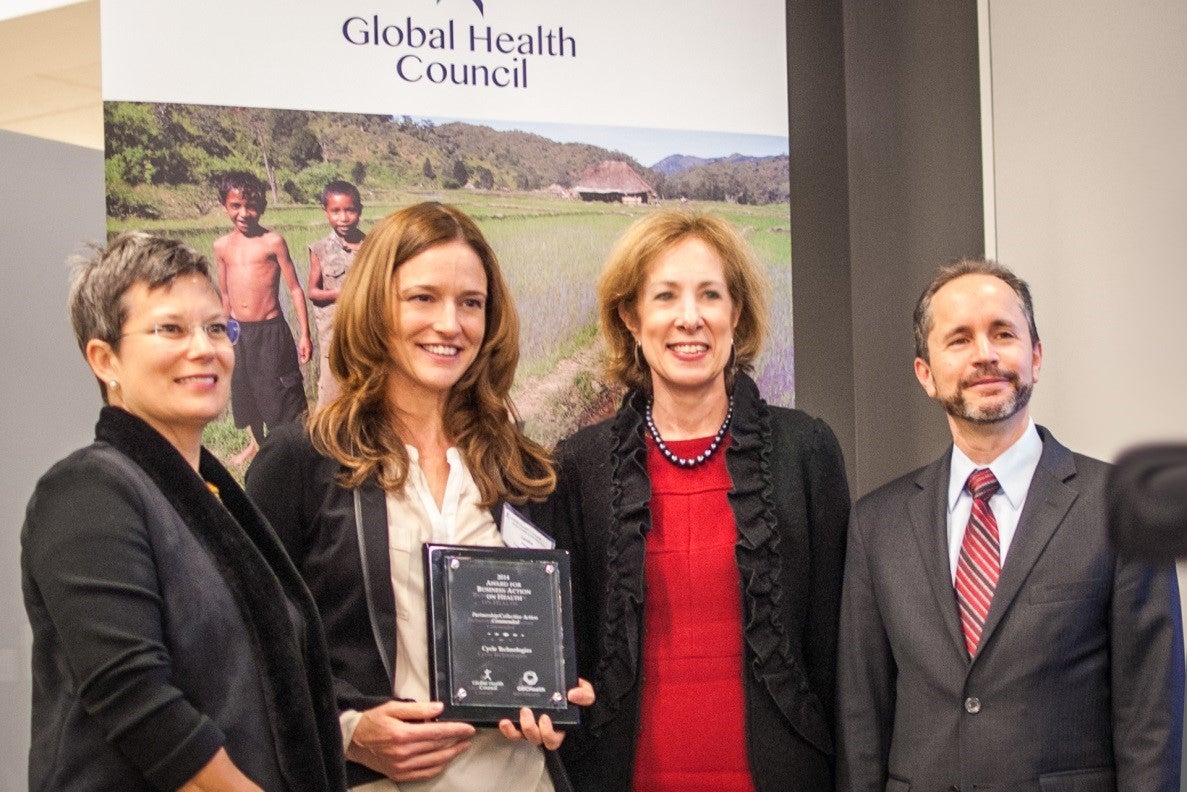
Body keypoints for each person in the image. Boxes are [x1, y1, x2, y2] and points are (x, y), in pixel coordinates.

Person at [246, 202, 594, 791]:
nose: (450, 324)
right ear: (378, 307)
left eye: (470, 302)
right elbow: (248, 656)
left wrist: (558, 698)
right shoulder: (301, 462)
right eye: (422, 298)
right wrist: (348, 731)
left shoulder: (522, 469)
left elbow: (554, 644)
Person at [836, 258, 1184, 791]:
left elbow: (1151, 720)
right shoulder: (876, 526)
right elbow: (862, 721)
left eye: (1003, 333)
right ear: (925, 374)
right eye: (959, 339)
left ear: (1036, 356)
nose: (986, 355)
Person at [533, 211, 851, 791]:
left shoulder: (805, 448)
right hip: (620, 777)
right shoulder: (579, 465)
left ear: (736, 313)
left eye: (711, 295)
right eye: (665, 296)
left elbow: (836, 647)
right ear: (631, 316)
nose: (690, 318)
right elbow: (567, 644)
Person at [21, 232, 346, 792]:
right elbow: (142, 708)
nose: (205, 348)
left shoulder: (217, 498)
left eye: (217, 328)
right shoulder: (87, 492)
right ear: (104, 359)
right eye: (170, 329)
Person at [213, 170, 312, 465]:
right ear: (225, 207)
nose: (244, 213)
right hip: (239, 331)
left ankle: (291, 446)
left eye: (252, 206)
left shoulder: (273, 242)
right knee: (245, 389)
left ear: (263, 207)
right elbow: (225, 295)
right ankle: (255, 444)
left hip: (271, 330)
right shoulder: (221, 246)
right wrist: (223, 333)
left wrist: (304, 334)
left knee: (280, 391)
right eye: (236, 206)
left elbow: (294, 289)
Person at [308, 179, 365, 410]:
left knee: (364, 393)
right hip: (332, 338)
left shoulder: (372, 246)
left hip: (364, 334)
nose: (343, 218)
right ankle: (325, 443)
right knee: (331, 399)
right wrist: (341, 294)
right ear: (326, 213)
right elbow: (312, 292)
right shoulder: (320, 249)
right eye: (336, 211)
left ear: (359, 211)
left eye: (350, 210)